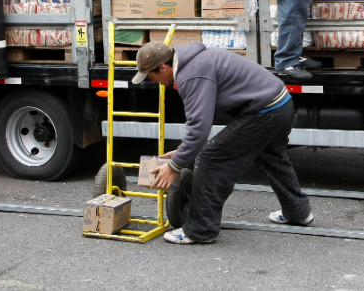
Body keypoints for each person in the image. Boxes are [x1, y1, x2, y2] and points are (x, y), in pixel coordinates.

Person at [133, 41, 313, 245]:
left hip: (264, 111)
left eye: (152, 76)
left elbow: (199, 128)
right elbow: (199, 126)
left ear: (163, 67)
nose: (154, 81)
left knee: (210, 159)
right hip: (281, 105)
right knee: (270, 156)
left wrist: (175, 166)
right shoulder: (196, 60)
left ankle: (201, 230)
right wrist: (183, 151)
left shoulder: (190, 75)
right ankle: (298, 212)